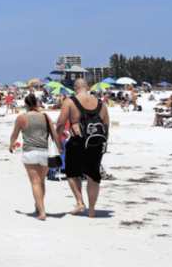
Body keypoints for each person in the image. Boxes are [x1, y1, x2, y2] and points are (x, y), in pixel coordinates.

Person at [56, 78, 110, 218]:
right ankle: (92, 209)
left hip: (77, 141)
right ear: (88, 87)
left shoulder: (69, 101)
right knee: (93, 176)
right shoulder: (100, 103)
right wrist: (103, 143)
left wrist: (58, 141)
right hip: (96, 142)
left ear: (75, 88)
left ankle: (80, 202)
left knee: (72, 172)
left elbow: (61, 123)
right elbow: (106, 124)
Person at [8, 94, 62, 220]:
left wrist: (11, 145)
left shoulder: (21, 117)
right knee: (41, 181)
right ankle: (38, 207)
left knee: (35, 182)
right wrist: (59, 148)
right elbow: (55, 134)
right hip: (45, 152)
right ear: (37, 104)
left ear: (25, 104)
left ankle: (42, 212)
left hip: (30, 152)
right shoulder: (45, 116)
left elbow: (14, 135)